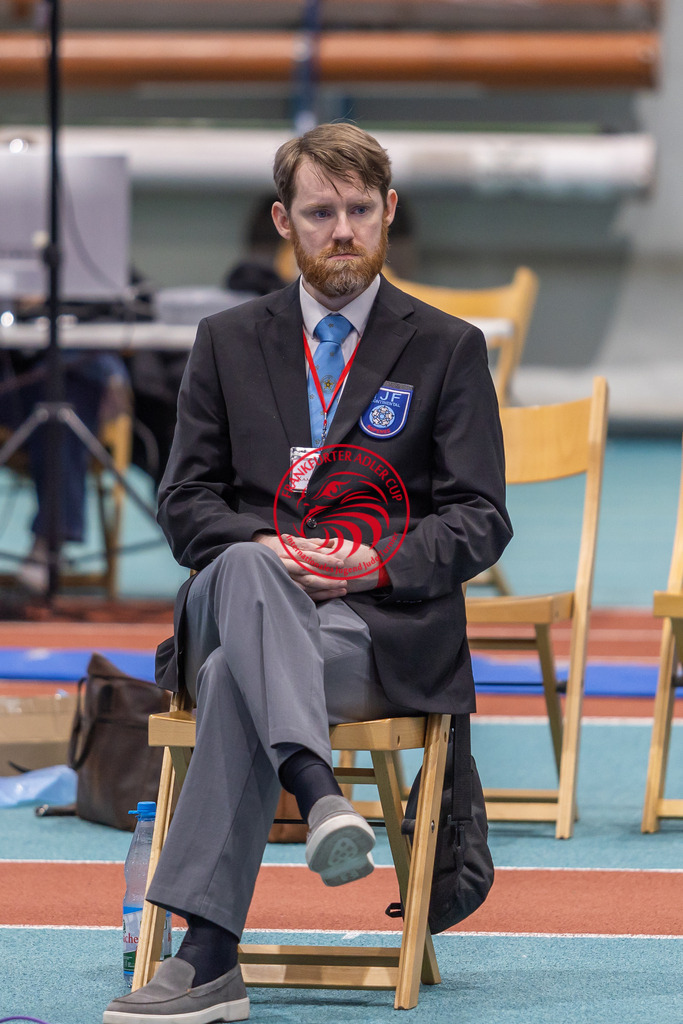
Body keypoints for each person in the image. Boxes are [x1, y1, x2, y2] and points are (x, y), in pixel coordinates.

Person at [103, 122, 512, 1024]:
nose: (342, 230)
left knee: (230, 678)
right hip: (234, 598)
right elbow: (184, 507)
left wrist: (374, 559)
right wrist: (277, 553)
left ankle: (206, 961)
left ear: (388, 214)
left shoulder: (446, 348)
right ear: (284, 221)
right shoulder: (224, 340)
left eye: (359, 210)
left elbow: (481, 520)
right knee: (250, 570)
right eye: (320, 211)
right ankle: (319, 792)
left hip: (369, 631)